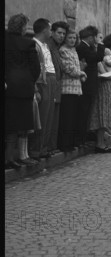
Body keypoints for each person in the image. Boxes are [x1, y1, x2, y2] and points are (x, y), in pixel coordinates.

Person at [5, 14, 41, 168]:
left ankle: (10, 158)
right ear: (22, 27)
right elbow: (35, 68)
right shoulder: (28, 43)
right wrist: (29, 81)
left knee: (10, 124)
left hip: (8, 86)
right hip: (24, 88)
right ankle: (15, 157)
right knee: (22, 124)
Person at [87, 34, 111, 153]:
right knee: (102, 115)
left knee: (105, 116)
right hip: (103, 87)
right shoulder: (99, 57)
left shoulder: (103, 56)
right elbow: (103, 72)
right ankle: (100, 143)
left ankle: (102, 142)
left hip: (107, 86)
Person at [29, 18, 58, 160]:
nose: (51, 31)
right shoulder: (34, 45)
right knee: (42, 115)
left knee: (49, 115)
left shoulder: (46, 45)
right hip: (42, 81)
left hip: (50, 79)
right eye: (50, 29)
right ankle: (36, 149)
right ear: (44, 30)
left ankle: (44, 147)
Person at [58, 29, 87, 152]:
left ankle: (71, 143)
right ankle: (64, 144)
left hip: (76, 88)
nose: (72, 40)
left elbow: (77, 67)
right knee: (67, 118)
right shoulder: (63, 50)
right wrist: (82, 73)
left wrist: (81, 73)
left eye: (74, 38)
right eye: (70, 38)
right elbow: (69, 68)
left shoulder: (73, 50)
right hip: (67, 89)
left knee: (73, 118)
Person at [76, 26, 105, 147]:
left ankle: (84, 138)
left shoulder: (87, 47)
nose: (96, 40)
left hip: (90, 84)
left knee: (86, 113)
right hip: (86, 85)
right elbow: (97, 57)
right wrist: (101, 44)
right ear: (90, 37)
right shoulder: (83, 47)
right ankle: (80, 140)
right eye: (95, 37)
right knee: (82, 113)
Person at [47, 21, 69, 153]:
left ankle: (51, 146)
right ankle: (48, 147)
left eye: (63, 34)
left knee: (55, 118)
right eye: (59, 33)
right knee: (50, 118)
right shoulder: (49, 46)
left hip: (57, 85)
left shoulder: (57, 47)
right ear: (52, 32)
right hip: (52, 85)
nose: (61, 36)